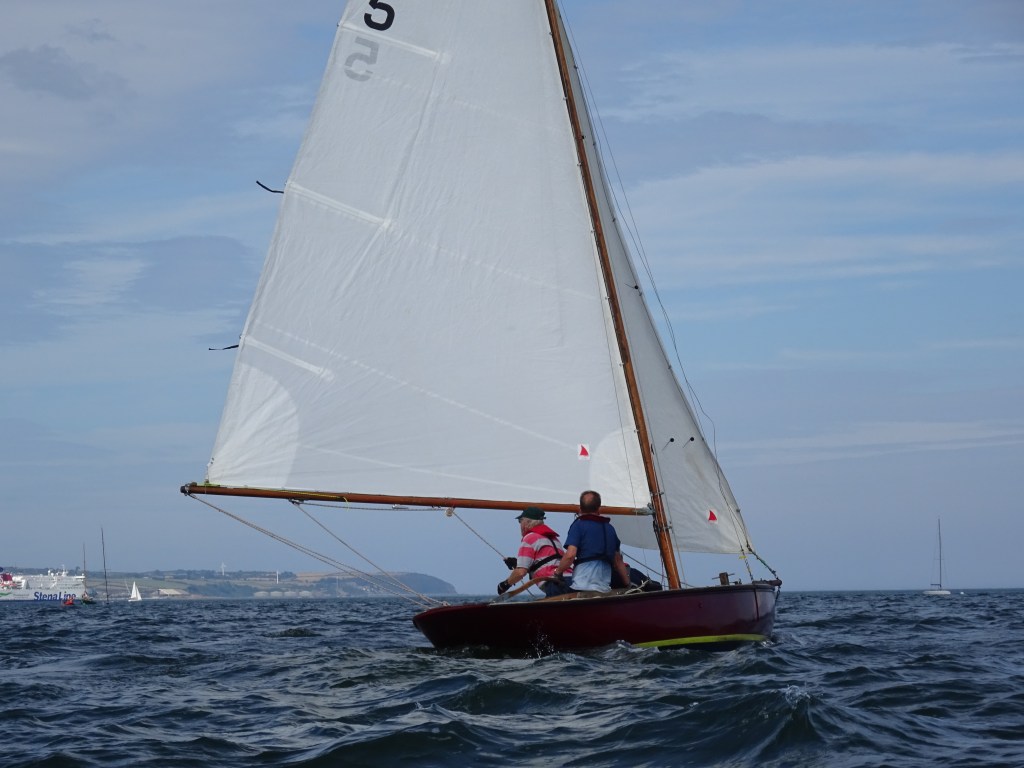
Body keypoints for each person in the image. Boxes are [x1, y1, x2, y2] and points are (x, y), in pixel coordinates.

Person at [553, 490, 631, 592]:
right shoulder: (610, 529)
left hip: (582, 585)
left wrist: (558, 572)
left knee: (553, 589)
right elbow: (618, 561)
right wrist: (628, 584)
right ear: (599, 509)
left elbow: (570, 555)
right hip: (604, 587)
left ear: (580, 509)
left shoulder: (578, 526)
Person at [497, 507, 574, 598]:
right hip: (572, 581)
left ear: (527, 522)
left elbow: (520, 572)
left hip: (555, 584)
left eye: (520, 521)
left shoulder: (529, 538)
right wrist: (518, 564)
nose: (520, 525)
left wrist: (505, 584)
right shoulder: (554, 540)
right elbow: (547, 561)